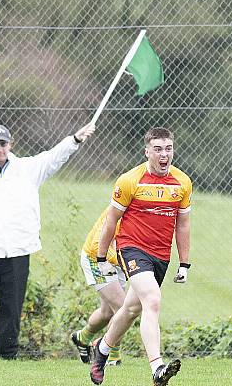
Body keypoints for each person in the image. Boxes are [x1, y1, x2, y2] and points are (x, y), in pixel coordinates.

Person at [0, 121, 96, 359]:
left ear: (10, 144)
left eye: (3, 144)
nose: (0, 149)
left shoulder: (27, 168)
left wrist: (75, 140)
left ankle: (5, 356)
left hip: (18, 251)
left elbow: (53, 157)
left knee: (11, 306)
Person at [89, 127, 192, 386]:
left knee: (132, 308)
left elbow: (183, 225)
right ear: (147, 151)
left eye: (168, 148)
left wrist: (184, 263)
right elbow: (111, 221)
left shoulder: (182, 182)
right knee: (153, 300)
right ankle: (157, 368)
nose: (163, 154)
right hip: (132, 248)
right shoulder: (130, 180)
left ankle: (102, 349)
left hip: (161, 255)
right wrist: (102, 258)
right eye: (157, 149)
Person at [70, 208, 126, 366]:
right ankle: (111, 355)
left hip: (117, 262)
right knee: (123, 308)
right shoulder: (122, 208)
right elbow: (96, 246)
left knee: (107, 312)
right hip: (98, 259)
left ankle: (83, 337)